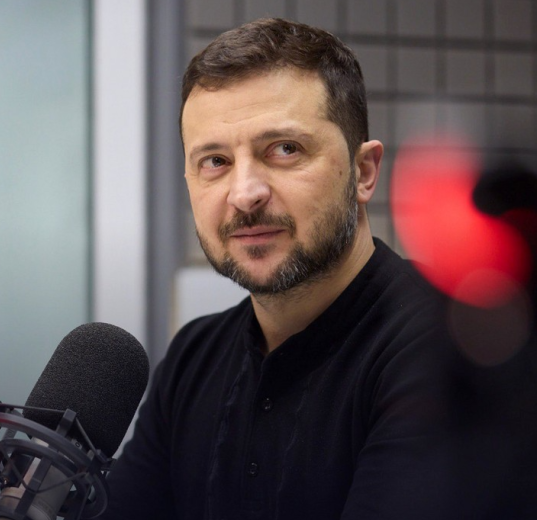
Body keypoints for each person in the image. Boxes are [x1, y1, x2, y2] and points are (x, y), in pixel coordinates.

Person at [99, 18, 457, 520]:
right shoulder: (192, 360)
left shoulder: (453, 346)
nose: (245, 193)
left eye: (285, 150)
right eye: (215, 161)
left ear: (363, 172)